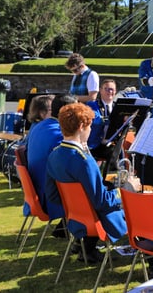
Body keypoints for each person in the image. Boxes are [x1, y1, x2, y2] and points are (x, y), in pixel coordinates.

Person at [45, 103, 139, 263]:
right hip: (100, 220)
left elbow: (53, 195)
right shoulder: (84, 161)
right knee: (142, 206)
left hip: (77, 219)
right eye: (90, 127)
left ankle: (86, 247)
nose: (90, 131)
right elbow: (102, 201)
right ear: (82, 126)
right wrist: (128, 189)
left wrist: (77, 205)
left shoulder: (54, 155)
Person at [26, 94, 77, 222]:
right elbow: (74, 167)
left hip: (38, 191)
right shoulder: (58, 134)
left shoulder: (38, 127)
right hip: (51, 198)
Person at [86, 78, 117, 159]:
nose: (109, 92)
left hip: (113, 143)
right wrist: (114, 119)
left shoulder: (117, 106)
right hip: (95, 145)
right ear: (100, 90)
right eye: (106, 89)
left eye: (112, 89)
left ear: (115, 91)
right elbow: (95, 119)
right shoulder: (92, 104)